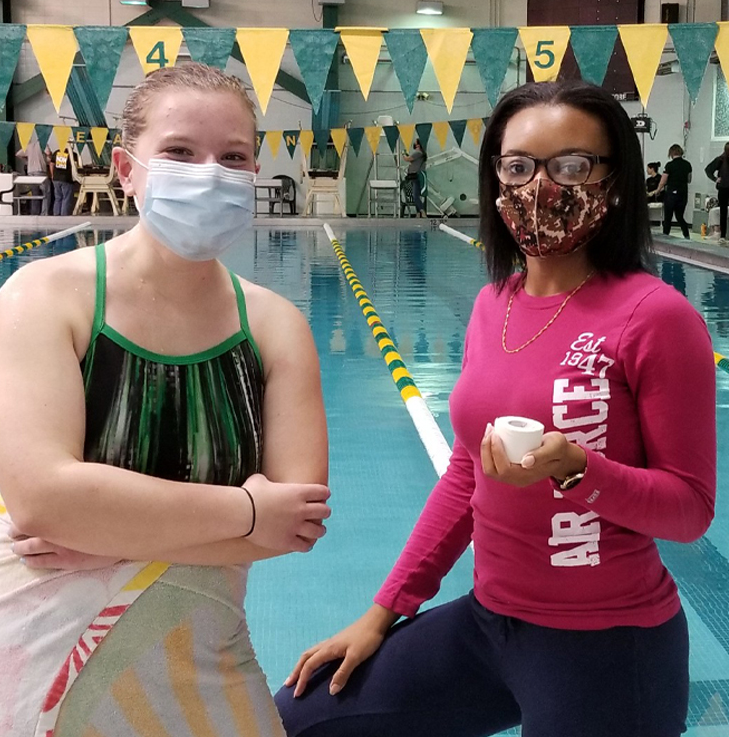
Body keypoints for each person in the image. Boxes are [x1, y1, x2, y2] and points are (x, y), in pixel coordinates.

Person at [276, 81, 716, 737]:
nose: (540, 187)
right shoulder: (495, 304)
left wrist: (577, 470)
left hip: (608, 646)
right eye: (518, 167)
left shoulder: (656, 318)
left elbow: (689, 509)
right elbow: (466, 475)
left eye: (571, 166)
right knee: (296, 719)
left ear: (615, 182)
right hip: (490, 625)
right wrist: (382, 613)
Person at [0, 63, 331, 737]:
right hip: (33, 652)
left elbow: (295, 526)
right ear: (127, 170)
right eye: (180, 152)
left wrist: (105, 539)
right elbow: (45, 501)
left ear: (254, 172)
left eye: (233, 157)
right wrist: (248, 511)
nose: (210, 173)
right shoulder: (47, 297)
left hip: (203, 650)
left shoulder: (275, 326)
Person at [655, 144, 692, 239]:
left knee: (668, 217)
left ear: (671, 153)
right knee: (680, 216)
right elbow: (689, 179)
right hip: (683, 193)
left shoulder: (669, 165)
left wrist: (658, 190)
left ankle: (665, 236)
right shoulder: (687, 164)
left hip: (671, 194)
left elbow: (663, 180)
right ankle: (686, 235)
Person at [15, 135, 52, 215]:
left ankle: (34, 213)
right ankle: (44, 213)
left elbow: (18, 154)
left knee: (35, 194)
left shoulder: (30, 146)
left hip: (30, 172)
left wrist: (27, 161)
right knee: (46, 192)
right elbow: (48, 153)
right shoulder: (43, 144)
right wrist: (48, 158)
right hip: (40, 172)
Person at [704, 142, 729, 245]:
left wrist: (715, 179)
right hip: (723, 188)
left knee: (723, 212)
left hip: (723, 187)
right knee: (723, 212)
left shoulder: (721, 159)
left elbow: (708, 169)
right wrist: (715, 179)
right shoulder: (721, 159)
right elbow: (708, 169)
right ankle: (722, 235)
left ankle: (722, 235)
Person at [403, 139, 427, 217]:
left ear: (418, 145)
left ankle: (422, 211)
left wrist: (403, 154)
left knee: (415, 195)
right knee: (417, 195)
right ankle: (418, 213)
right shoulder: (421, 154)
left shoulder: (418, 153)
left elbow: (407, 159)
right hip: (418, 176)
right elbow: (413, 161)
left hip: (416, 176)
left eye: (415, 143)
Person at [51, 142, 75, 216]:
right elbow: (76, 166)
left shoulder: (56, 153)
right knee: (66, 198)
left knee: (58, 198)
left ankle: (56, 214)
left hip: (56, 179)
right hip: (66, 179)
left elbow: (51, 164)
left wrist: (52, 175)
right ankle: (64, 216)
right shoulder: (72, 154)